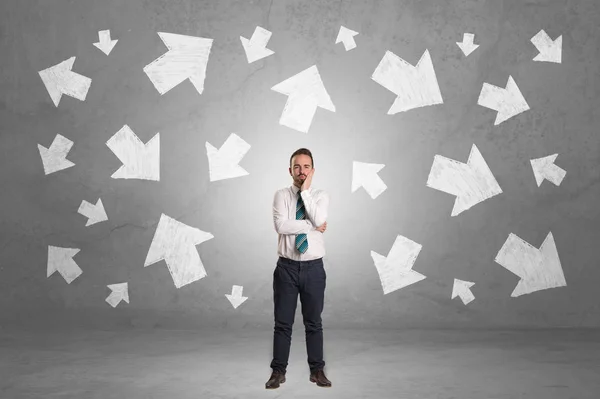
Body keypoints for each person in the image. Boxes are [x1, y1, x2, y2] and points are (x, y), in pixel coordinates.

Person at [266, 148, 331, 389]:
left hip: (314, 268)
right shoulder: (281, 195)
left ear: (312, 170)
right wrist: (311, 225)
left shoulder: (321, 195)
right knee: (283, 323)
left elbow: (319, 217)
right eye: (297, 167)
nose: (301, 171)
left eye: (306, 167)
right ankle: (278, 371)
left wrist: (305, 193)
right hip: (287, 269)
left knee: (314, 322)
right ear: (290, 170)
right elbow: (281, 226)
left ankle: (317, 370)